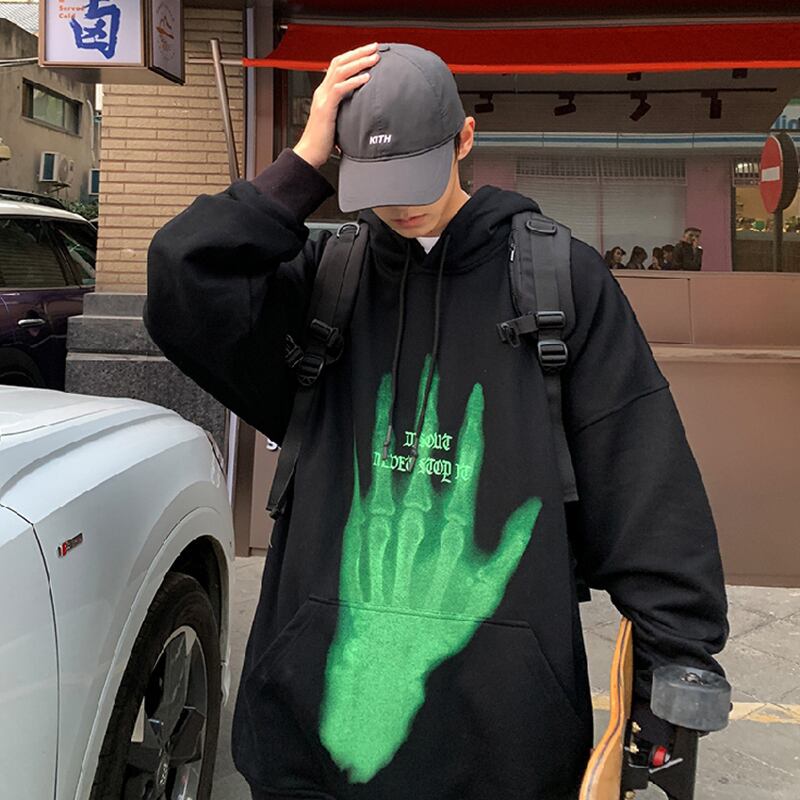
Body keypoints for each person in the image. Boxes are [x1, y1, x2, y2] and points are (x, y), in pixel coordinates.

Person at [144, 43, 728, 800]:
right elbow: (183, 278)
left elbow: (642, 472)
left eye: (416, 174)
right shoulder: (327, 280)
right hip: (309, 738)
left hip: (506, 747)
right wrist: (302, 163)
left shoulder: (558, 280)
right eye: (375, 181)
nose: (400, 205)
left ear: (464, 139)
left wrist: (675, 658)